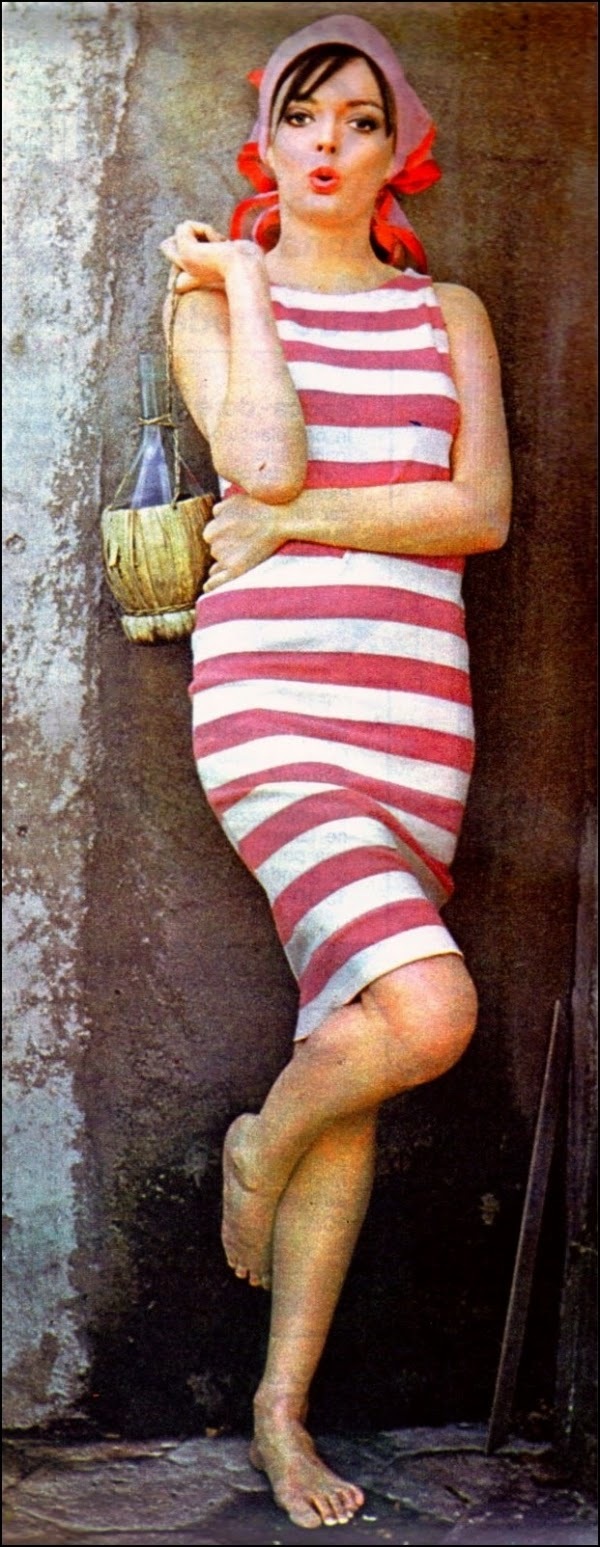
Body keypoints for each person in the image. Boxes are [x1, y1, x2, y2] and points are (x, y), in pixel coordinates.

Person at [160, 13, 511, 1531]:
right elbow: (264, 458)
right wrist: (249, 282)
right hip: (272, 704)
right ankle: (261, 1141)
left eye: (359, 120)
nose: (327, 143)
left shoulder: (452, 314)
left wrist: (301, 525)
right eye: (301, 115)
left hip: (417, 715)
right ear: (266, 138)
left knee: (353, 1031)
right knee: (426, 1011)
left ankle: (280, 1413)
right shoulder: (210, 297)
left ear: (397, 149)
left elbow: (480, 513)